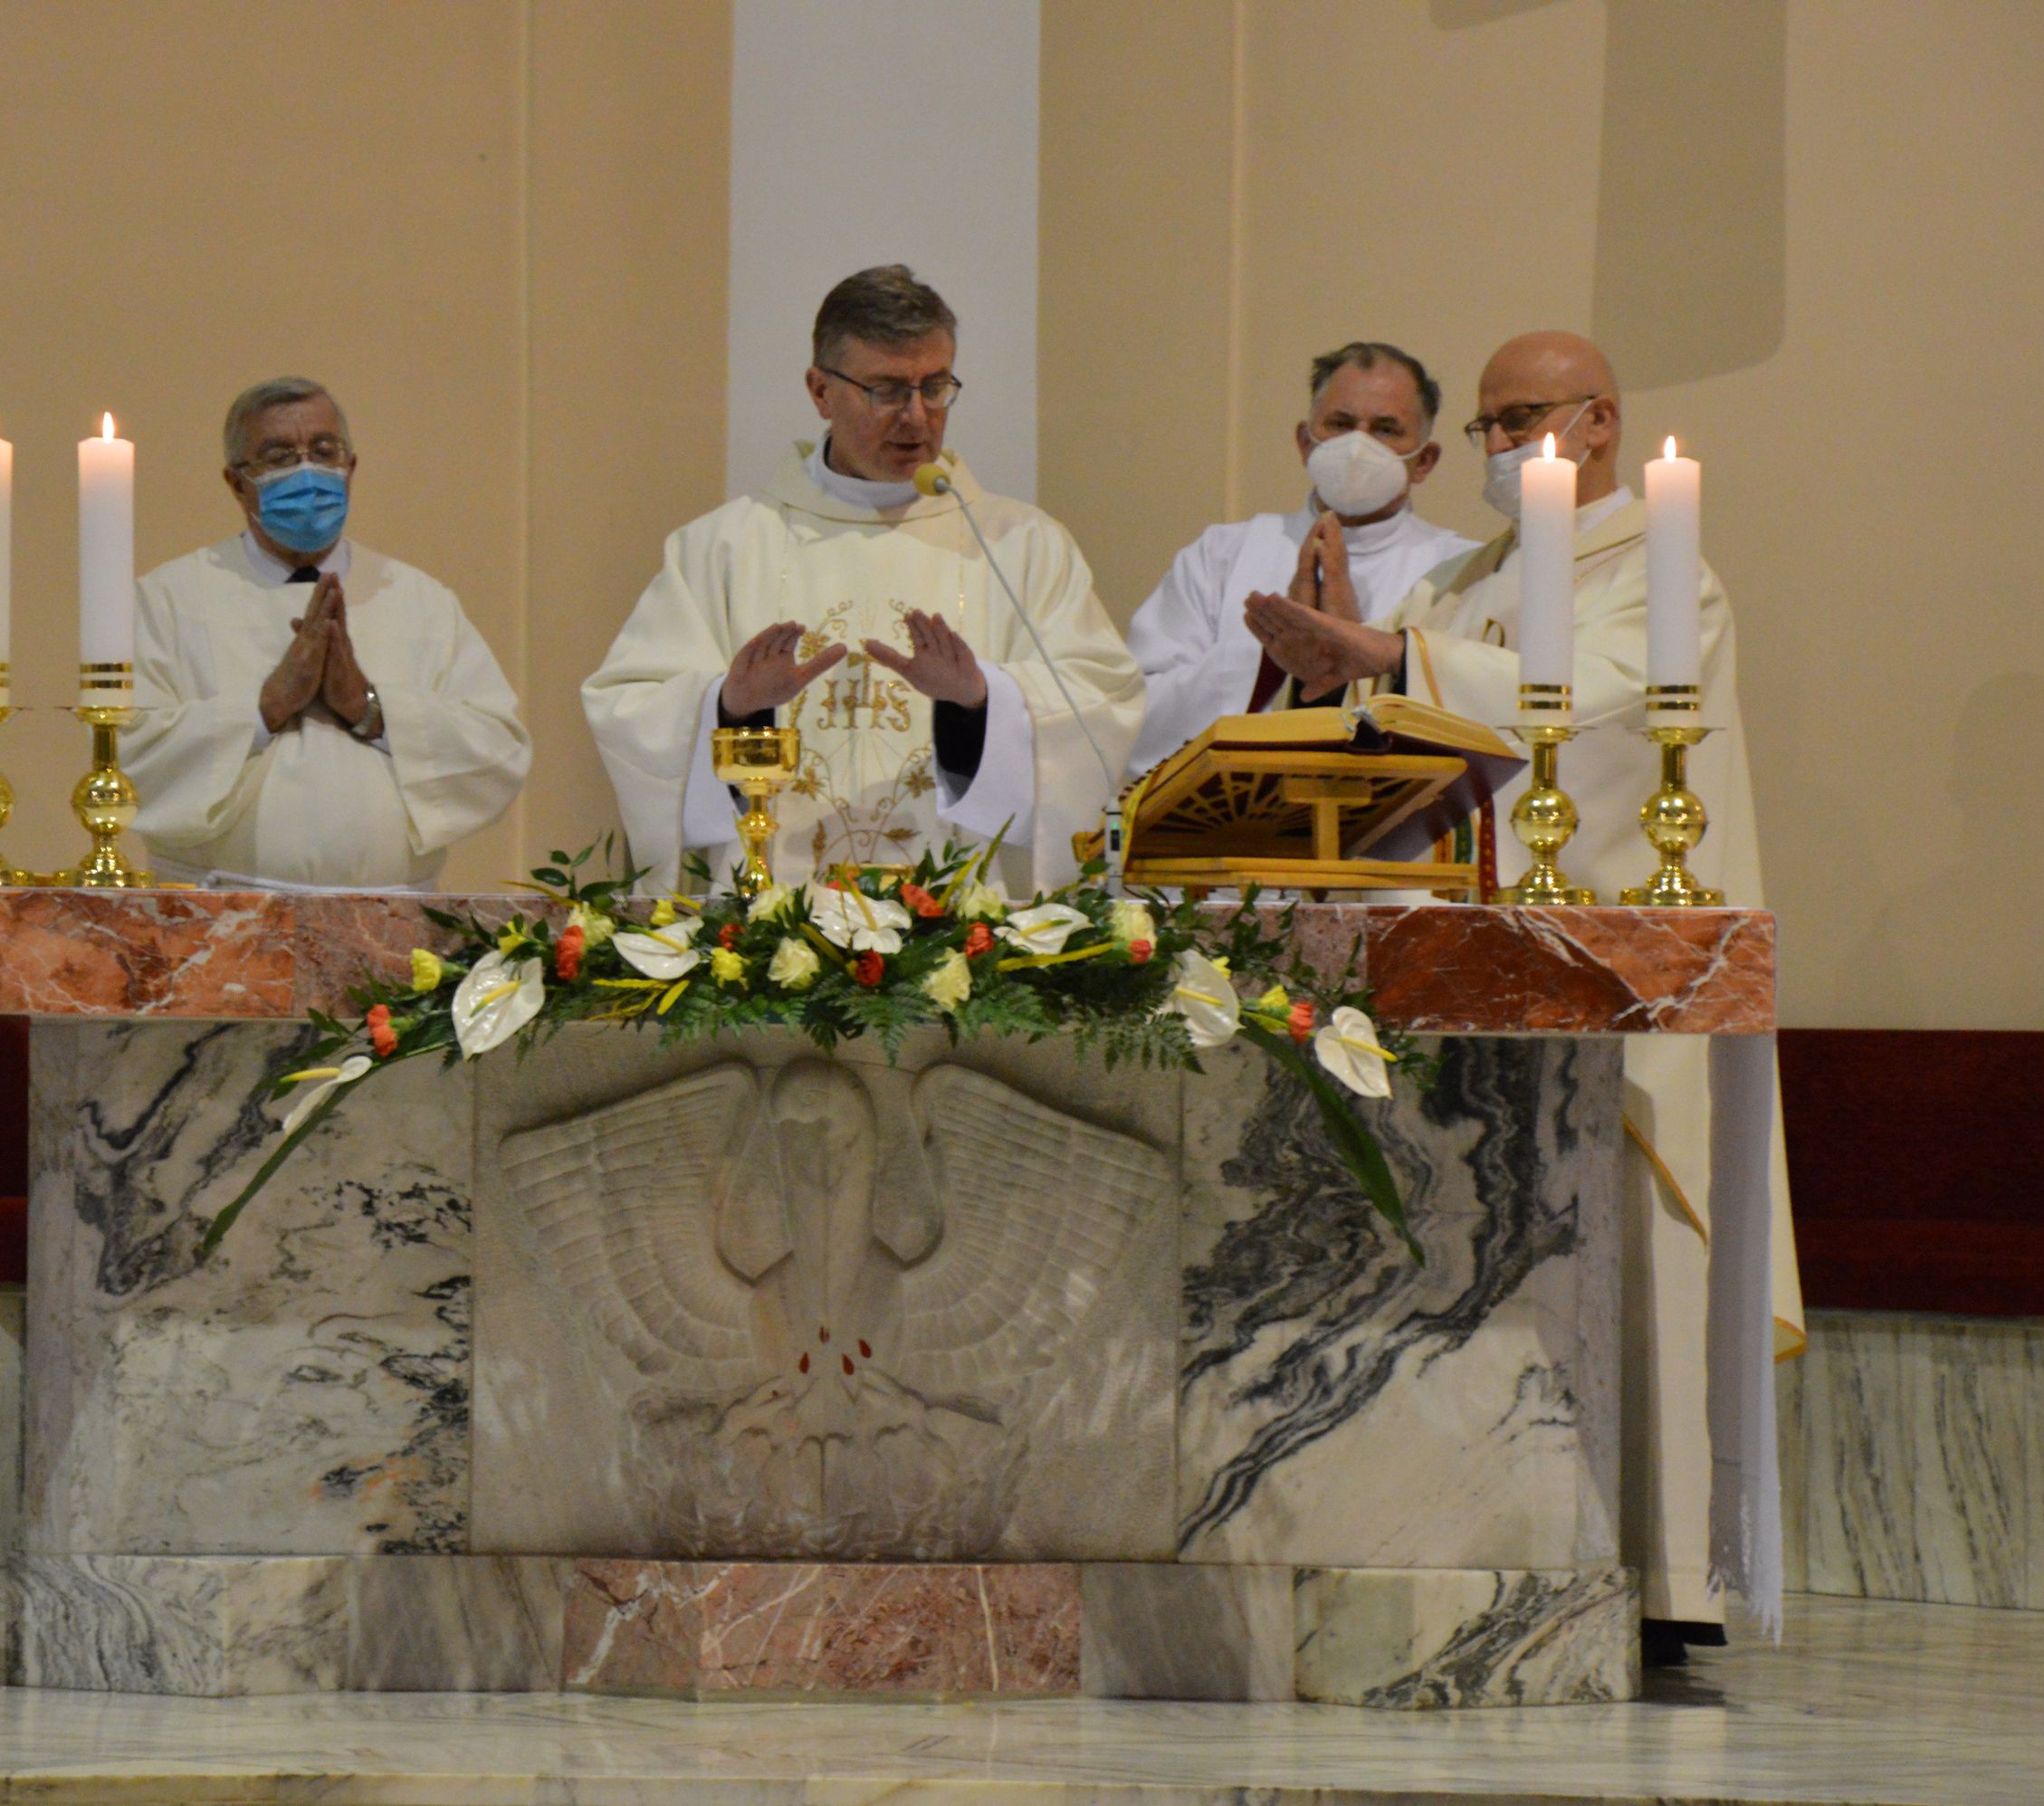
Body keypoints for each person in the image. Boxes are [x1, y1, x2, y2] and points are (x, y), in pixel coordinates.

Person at [1262, 329, 1805, 1664]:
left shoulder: (1665, 575)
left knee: (1634, 1253)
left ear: (1602, 421)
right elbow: (1403, 743)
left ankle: (1659, 1578)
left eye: (1526, 419)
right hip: (1464, 985)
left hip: (1618, 999)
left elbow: (1604, 716)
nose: (1502, 447)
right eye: (1491, 424)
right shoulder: (1462, 584)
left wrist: (1390, 654)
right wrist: (1344, 677)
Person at [584, 265, 1141, 892]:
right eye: (886, 390)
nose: (916, 417)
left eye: (935, 387)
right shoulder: (723, 548)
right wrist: (732, 705)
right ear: (820, 390)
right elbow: (630, 708)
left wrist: (980, 702)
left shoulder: (1023, 546)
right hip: (770, 921)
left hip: (965, 926)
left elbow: (1101, 705)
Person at [119, 377, 530, 888]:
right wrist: (266, 707)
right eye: (278, 457)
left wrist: (369, 708)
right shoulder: (168, 599)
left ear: (351, 467)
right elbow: (128, 754)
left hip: (391, 911)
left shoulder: (421, 601)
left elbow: (497, 750)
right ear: (236, 483)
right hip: (223, 908)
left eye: (323, 450)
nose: (306, 471)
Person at [1122, 340, 1477, 774]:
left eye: (1385, 429)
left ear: (1424, 461)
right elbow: (1137, 713)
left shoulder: (1462, 570)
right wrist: (1271, 661)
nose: (1358, 445)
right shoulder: (1222, 553)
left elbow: (1472, 723)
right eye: (1341, 424)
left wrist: (1357, 653)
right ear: (1305, 443)